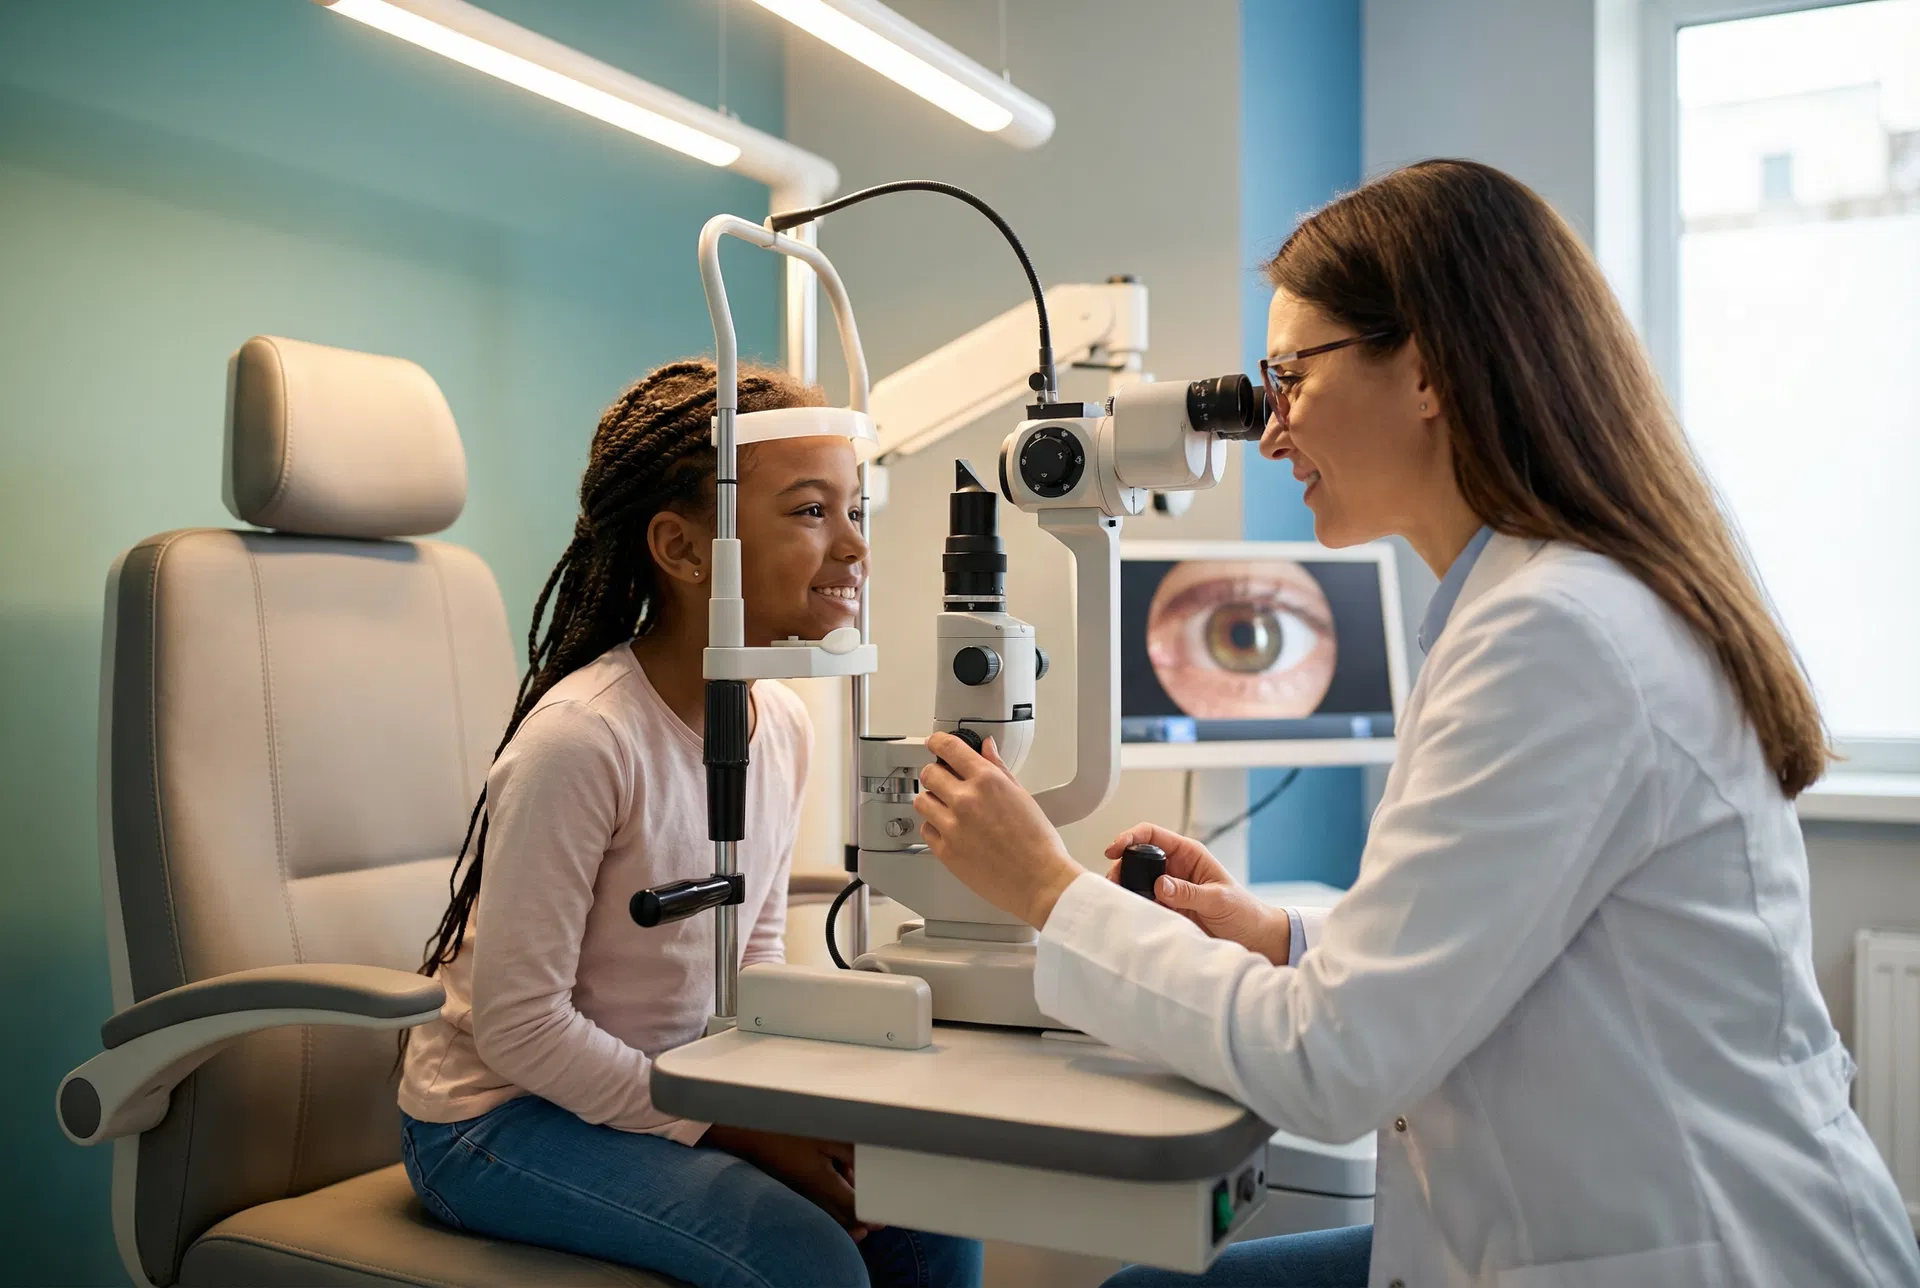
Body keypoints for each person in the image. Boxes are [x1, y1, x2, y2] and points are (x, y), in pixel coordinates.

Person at [910, 161, 1920, 1287]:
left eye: (1288, 377)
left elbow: (1332, 1063)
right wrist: (1280, 939)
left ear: (1429, 368)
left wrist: (1051, 890)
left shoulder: (1554, 636)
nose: (1272, 431)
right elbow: (1505, 941)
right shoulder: (1535, 602)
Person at [397, 359, 982, 1288]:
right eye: (808, 511)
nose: (855, 548)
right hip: (497, 1118)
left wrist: (791, 1100)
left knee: (931, 1213)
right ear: (681, 548)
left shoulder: (780, 722)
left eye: (855, 511)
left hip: (673, 1084)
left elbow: (748, 956)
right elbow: (517, 1028)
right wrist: (731, 1129)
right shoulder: (584, 743)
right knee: (804, 1259)